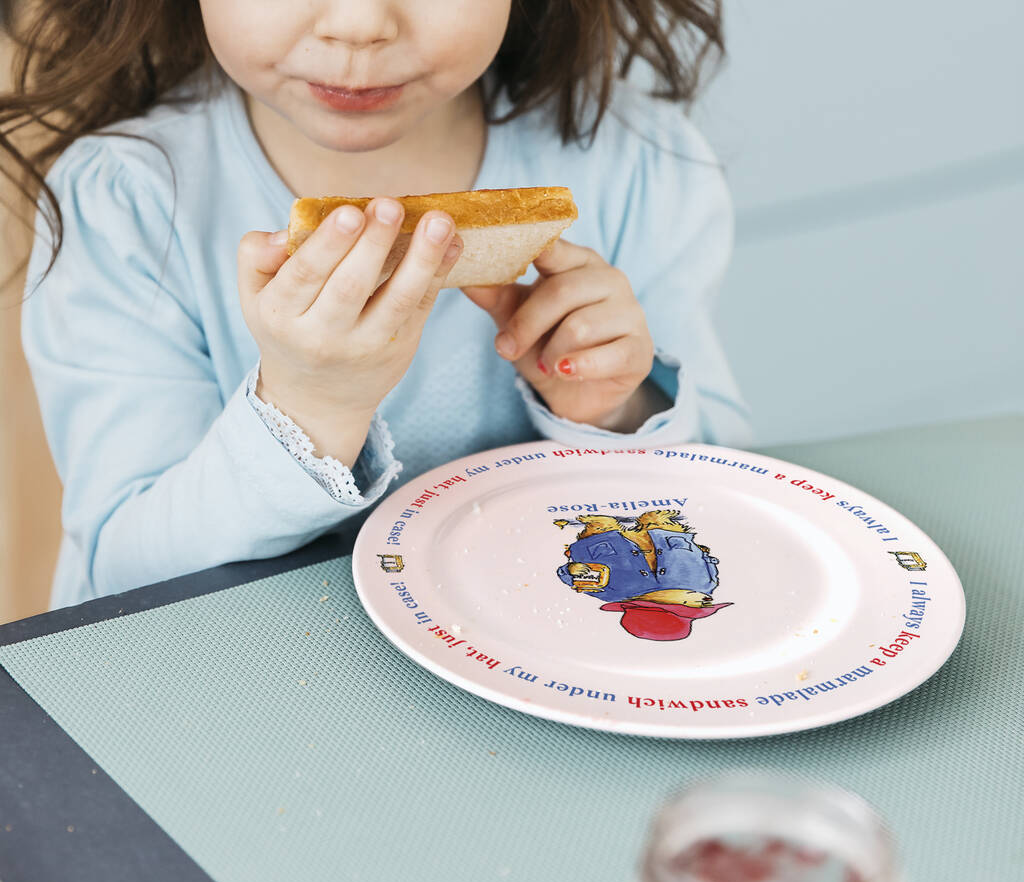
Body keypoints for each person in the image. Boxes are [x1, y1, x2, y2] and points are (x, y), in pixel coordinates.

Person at [2, 0, 752, 610]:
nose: (360, 23)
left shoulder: (638, 163)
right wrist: (308, 407)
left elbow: (730, 503)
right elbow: (124, 578)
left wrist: (615, 409)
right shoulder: (125, 198)